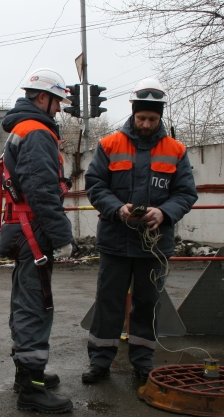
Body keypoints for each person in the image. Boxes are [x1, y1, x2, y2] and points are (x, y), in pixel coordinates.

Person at [82, 78, 197, 383]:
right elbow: (95, 185)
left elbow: (186, 194)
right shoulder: (109, 145)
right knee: (109, 304)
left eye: (152, 119)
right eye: (141, 118)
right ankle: (100, 363)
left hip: (154, 246)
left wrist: (164, 212)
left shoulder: (176, 150)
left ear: (161, 117)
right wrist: (117, 209)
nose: (146, 124)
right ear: (132, 113)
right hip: (115, 242)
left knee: (147, 305)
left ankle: (143, 363)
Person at [0, 68, 75, 413]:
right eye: (57, 103)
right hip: (35, 231)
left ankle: (26, 374)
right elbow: (42, 192)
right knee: (36, 305)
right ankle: (32, 387)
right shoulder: (38, 133)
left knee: (24, 300)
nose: (58, 110)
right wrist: (63, 236)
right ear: (43, 98)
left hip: (22, 228)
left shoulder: (22, 129)